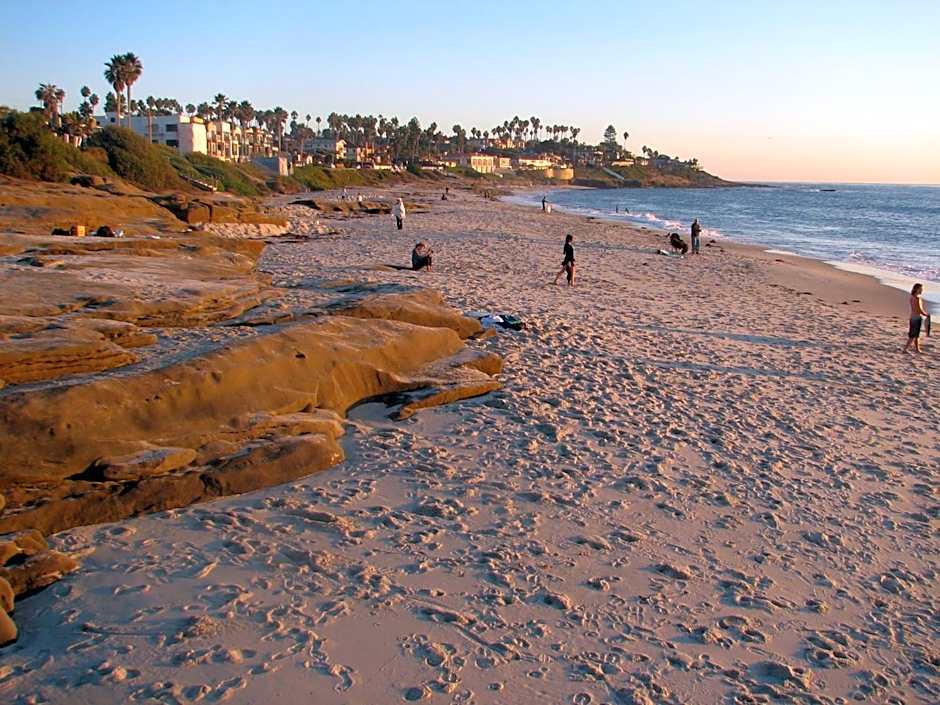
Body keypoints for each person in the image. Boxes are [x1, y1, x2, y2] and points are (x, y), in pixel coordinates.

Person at [903, 283, 929, 353]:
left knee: (916, 335)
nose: (921, 290)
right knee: (913, 336)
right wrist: (926, 314)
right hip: (916, 318)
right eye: (920, 289)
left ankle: (917, 349)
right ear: (916, 289)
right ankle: (905, 349)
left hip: (912, 317)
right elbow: (919, 310)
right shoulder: (917, 298)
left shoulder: (912, 297)